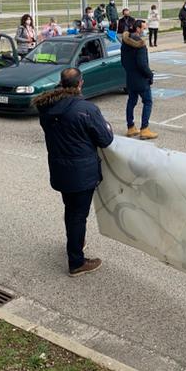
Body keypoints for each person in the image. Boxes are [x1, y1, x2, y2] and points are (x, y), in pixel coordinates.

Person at [35, 67, 113, 276]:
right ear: (80, 84)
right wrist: (107, 126)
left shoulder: (47, 107)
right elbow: (105, 139)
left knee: (71, 210)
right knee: (78, 215)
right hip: (81, 172)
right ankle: (76, 262)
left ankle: (76, 242)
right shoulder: (86, 109)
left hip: (60, 169)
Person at [120, 20, 157, 140]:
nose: (144, 31)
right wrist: (150, 75)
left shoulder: (125, 43)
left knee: (131, 101)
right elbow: (142, 64)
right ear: (138, 29)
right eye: (143, 28)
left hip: (130, 77)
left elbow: (123, 61)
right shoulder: (140, 45)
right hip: (141, 79)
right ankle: (144, 129)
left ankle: (130, 127)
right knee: (147, 102)